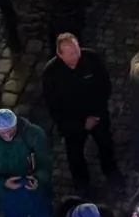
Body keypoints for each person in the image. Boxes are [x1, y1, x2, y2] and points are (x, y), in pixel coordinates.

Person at [40, 34, 120, 192]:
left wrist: (96, 115)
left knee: (105, 145)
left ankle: (111, 172)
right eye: (70, 53)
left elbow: (105, 87)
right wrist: (81, 123)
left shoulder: (91, 59)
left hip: (97, 116)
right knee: (75, 154)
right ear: (60, 55)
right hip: (72, 124)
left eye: (76, 51)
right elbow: (55, 108)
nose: (76, 56)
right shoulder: (51, 74)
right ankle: (82, 183)